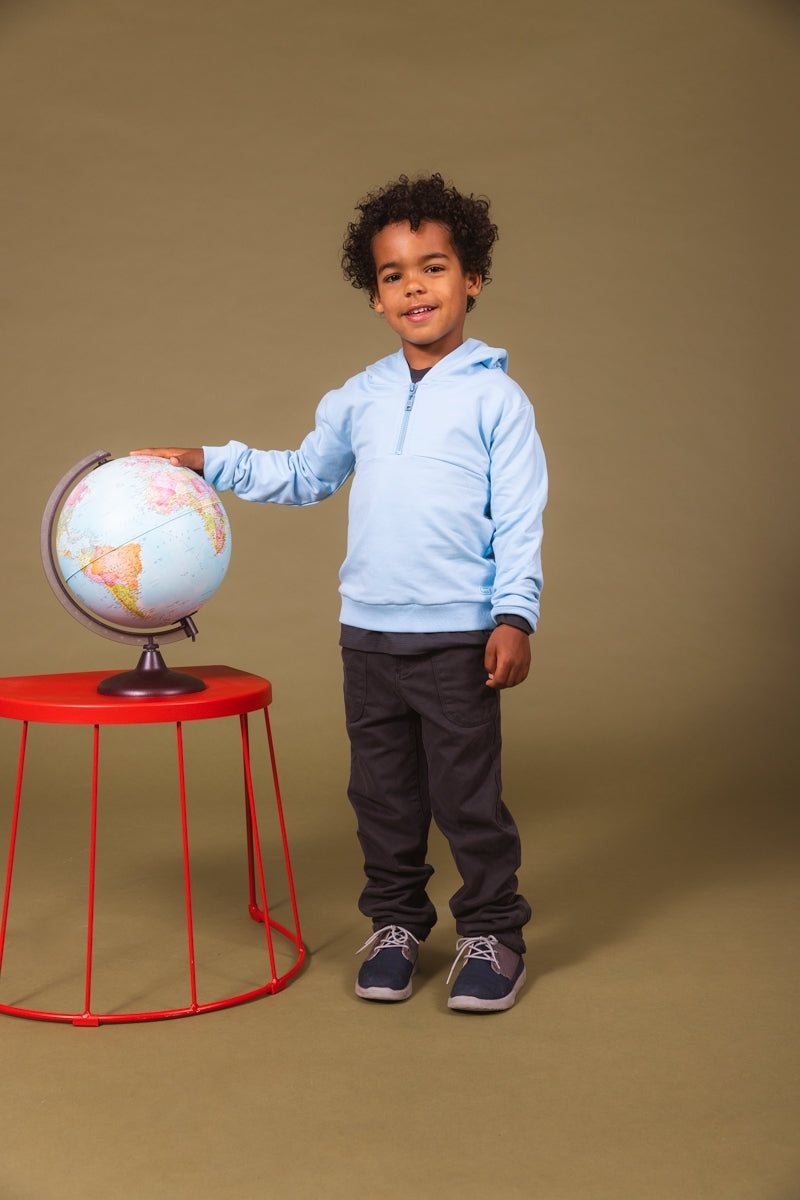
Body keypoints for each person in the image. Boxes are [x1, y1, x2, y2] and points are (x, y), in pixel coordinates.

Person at [133, 173, 547, 1013]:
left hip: (459, 637)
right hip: (368, 637)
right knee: (382, 798)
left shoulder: (497, 399)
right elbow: (304, 474)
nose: (414, 287)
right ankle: (395, 926)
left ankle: (493, 933)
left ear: (472, 279)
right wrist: (212, 461)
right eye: (394, 275)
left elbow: (520, 516)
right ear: (376, 298)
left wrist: (515, 615)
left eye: (433, 268)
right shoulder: (359, 397)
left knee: (468, 799)